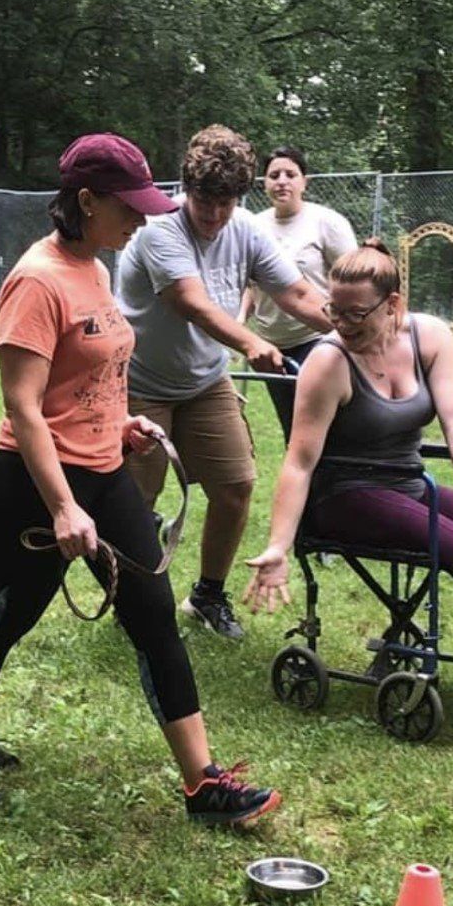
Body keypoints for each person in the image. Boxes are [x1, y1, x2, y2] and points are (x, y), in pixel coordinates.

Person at [0, 132, 284, 826]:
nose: (141, 220)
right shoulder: (36, 280)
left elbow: (93, 375)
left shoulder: (96, 270)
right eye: (128, 207)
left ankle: (203, 784)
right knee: (8, 618)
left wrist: (117, 424)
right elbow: (23, 405)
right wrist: (62, 507)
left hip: (105, 471)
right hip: (34, 483)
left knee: (153, 616)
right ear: (85, 201)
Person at [243, 239, 453, 737]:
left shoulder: (429, 337)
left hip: (409, 487)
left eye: (356, 313)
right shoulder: (328, 363)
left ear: (392, 304)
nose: (341, 324)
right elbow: (299, 462)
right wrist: (277, 546)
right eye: (334, 310)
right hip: (344, 496)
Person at [116, 125, 331, 641]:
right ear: (186, 189)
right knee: (134, 500)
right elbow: (190, 302)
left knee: (235, 487)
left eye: (225, 203)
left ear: (239, 197)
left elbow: (298, 294)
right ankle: (131, 598)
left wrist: (361, 328)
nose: (213, 215)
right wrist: (250, 342)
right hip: (140, 382)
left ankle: (207, 595)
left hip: (204, 381)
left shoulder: (246, 230)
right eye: (204, 202)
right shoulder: (159, 228)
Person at [249, 146, 358, 439]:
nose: (282, 181)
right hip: (270, 347)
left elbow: (354, 280)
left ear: (304, 182)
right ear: (264, 183)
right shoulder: (254, 226)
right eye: (274, 175)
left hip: (317, 339)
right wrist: (239, 322)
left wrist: (349, 329)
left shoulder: (327, 223)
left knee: (323, 428)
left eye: (290, 174)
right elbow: (251, 285)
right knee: (292, 430)